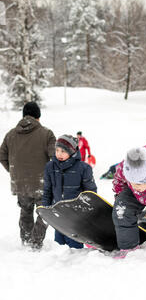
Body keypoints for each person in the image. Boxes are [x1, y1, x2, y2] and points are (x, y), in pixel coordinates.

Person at [0, 102, 56, 249]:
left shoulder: (10, 134)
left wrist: (14, 172)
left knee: (25, 211)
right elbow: (55, 158)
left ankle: (26, 241)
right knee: (45, 212)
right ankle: (35, 242)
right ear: (38, 117)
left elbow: (2, 156)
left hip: (20, 184)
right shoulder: (46, 134)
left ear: (23, 115)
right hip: (41, 183)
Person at [42, 134, 97, 249]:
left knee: (74, 248)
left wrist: (88, 212)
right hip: (58, 213)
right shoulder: (50, 167)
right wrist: (46, 209)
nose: (59, 154)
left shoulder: (84, 168)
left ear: (72, 151)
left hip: (75, 216)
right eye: (57, 150)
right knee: (59, 246)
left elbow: (90, 192)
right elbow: (47, 190)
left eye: (63, 151)